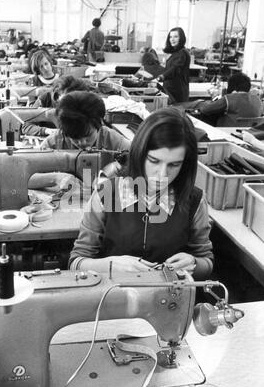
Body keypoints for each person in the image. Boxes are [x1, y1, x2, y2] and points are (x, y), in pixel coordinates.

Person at [68, 107, 214, 280]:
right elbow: (76, 263)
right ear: (139, 153)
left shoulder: (194, 201)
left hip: (170, 300)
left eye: (174, 165)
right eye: (154, 161)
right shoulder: (106, 194)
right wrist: (109, 266)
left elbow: (207, 262)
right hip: (112, 297)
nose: (162, 174)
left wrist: (194, 263)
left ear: (186, 164)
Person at [28, 91, 131, 190]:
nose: (82, 143)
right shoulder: (54, 141)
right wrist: (56, 178)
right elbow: (24, 178)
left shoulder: (115, 141)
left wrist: (115, 168)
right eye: (75, 138)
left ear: (99, 124)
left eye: (88, 136)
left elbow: (140, 164)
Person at [21, 76, 93, 137]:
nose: (71, 104)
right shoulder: (44, 99)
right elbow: (26, 126)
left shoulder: (81, 102)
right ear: (58, 94)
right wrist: (47, 131)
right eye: (68, 99)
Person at [196, 72, 262, 127]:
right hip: (249, 132)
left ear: (231, 86)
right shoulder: (258, 100)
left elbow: (205, 110)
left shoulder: (230, 98)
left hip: (227, 131)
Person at [162, 27, 190, 103]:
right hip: (170, 90)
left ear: (181, 38)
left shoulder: (182, 53)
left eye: (176, 36)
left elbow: (175, 68)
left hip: (177, 92)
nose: (172, 39)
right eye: (170, 37)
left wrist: (162, 77)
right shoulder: (175, 53)